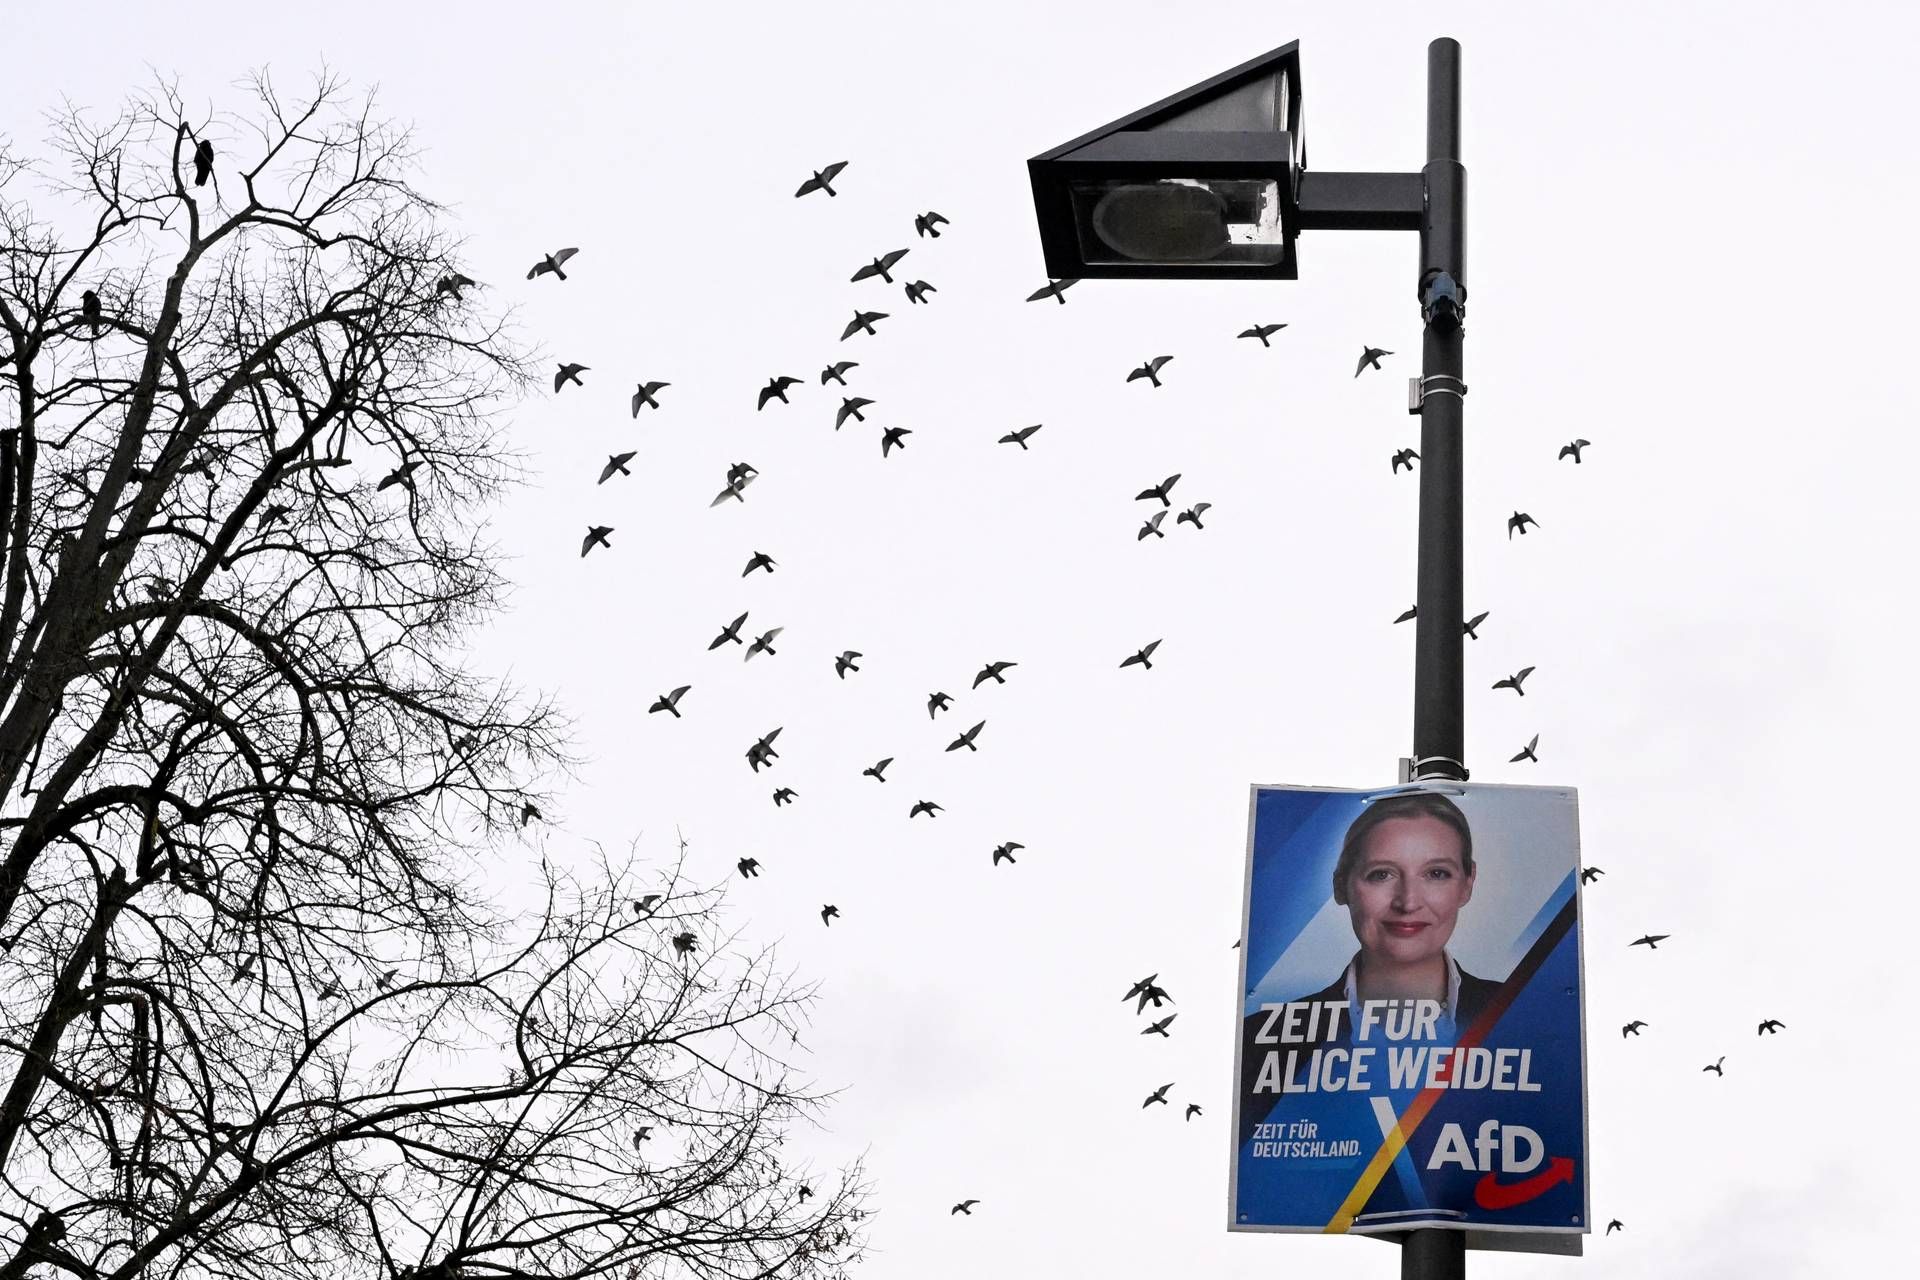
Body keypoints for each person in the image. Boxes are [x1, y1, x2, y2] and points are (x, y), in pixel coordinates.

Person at [1303, 789, 1501, 1034]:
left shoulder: (1527, 1017)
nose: (1408, 902)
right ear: (1341, 886)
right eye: (1381, 874)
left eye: (1436, 873)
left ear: (1467, 884)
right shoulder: (1263, 1038)